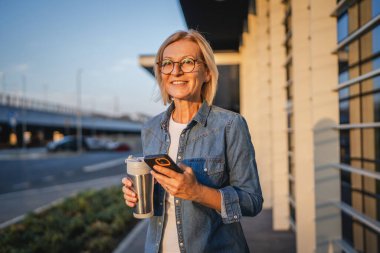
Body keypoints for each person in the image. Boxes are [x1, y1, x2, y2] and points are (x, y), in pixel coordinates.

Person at [122, 29, 263, 253]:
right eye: (167, 63)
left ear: (207, 72)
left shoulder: (230, 125)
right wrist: (138, 193)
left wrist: (198, 192)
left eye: (187, 62)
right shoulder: (150, 129)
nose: (176, 71)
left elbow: (252, 201)